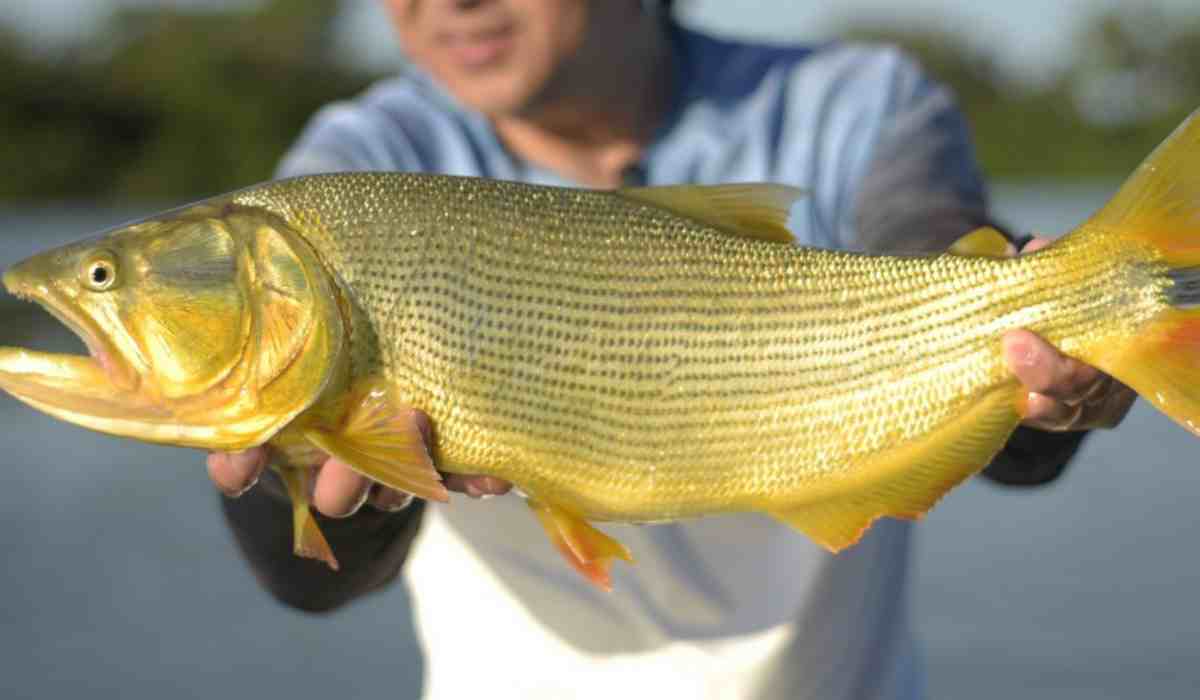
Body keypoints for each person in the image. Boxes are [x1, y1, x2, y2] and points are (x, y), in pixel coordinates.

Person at [208, 1, 1136, 697]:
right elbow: (309, 582)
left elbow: (935, 254)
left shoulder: (858, 101)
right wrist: (326, 497)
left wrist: (1045, 365)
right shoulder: (364, 160)